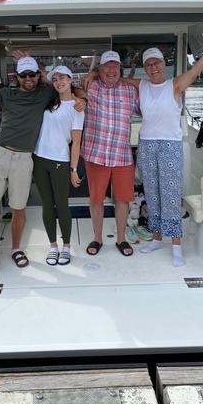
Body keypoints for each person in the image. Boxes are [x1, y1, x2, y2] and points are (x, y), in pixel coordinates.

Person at [0, 55, 85, 276]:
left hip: (24, 158)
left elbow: (67, 88)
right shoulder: (5, 94)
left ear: (38, 76)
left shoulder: (46, 93)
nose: (28, 78)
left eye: (32, 74)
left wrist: (82, 99)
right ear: (17, 77)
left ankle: (16, 249)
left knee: (19, 208)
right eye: (24, 75)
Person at [127, 28, 203, 266]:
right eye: (148, 64)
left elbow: (195, 71)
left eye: (156, 63)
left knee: (171, 196)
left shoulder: (175, 84)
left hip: (170, 146)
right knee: (152, 194)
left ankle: (176, 246)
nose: (153, 67)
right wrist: (93, 75)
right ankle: (157, 239)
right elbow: (114, 79)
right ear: (144, 67)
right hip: (147, 144)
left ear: (164, 64)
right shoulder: (141, 86)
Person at [81, 50, 139, 257]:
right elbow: (66, 84)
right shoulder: (89, 86)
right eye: (107, 66)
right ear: (100, 70)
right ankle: (97, 238)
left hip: (122, 155)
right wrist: (90, 75)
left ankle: (121, 239)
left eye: (115, 66)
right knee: (96, 199)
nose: (111, 70)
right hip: (96, 154)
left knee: (123, 199)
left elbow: (150, 104)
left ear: (120, 69)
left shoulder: (131, 91)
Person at [33, 65, 84, 265]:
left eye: (62, 78)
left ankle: (67, 246)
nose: (58, 82)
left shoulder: (78, 107)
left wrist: (73, 169)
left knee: (62, 205)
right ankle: (53, 246)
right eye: (55, 79)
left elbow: (76, 142)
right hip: (39, 159)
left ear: (71, 79)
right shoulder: (49, 101)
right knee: (47, 204)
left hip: (60, 161)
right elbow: (43, 78)